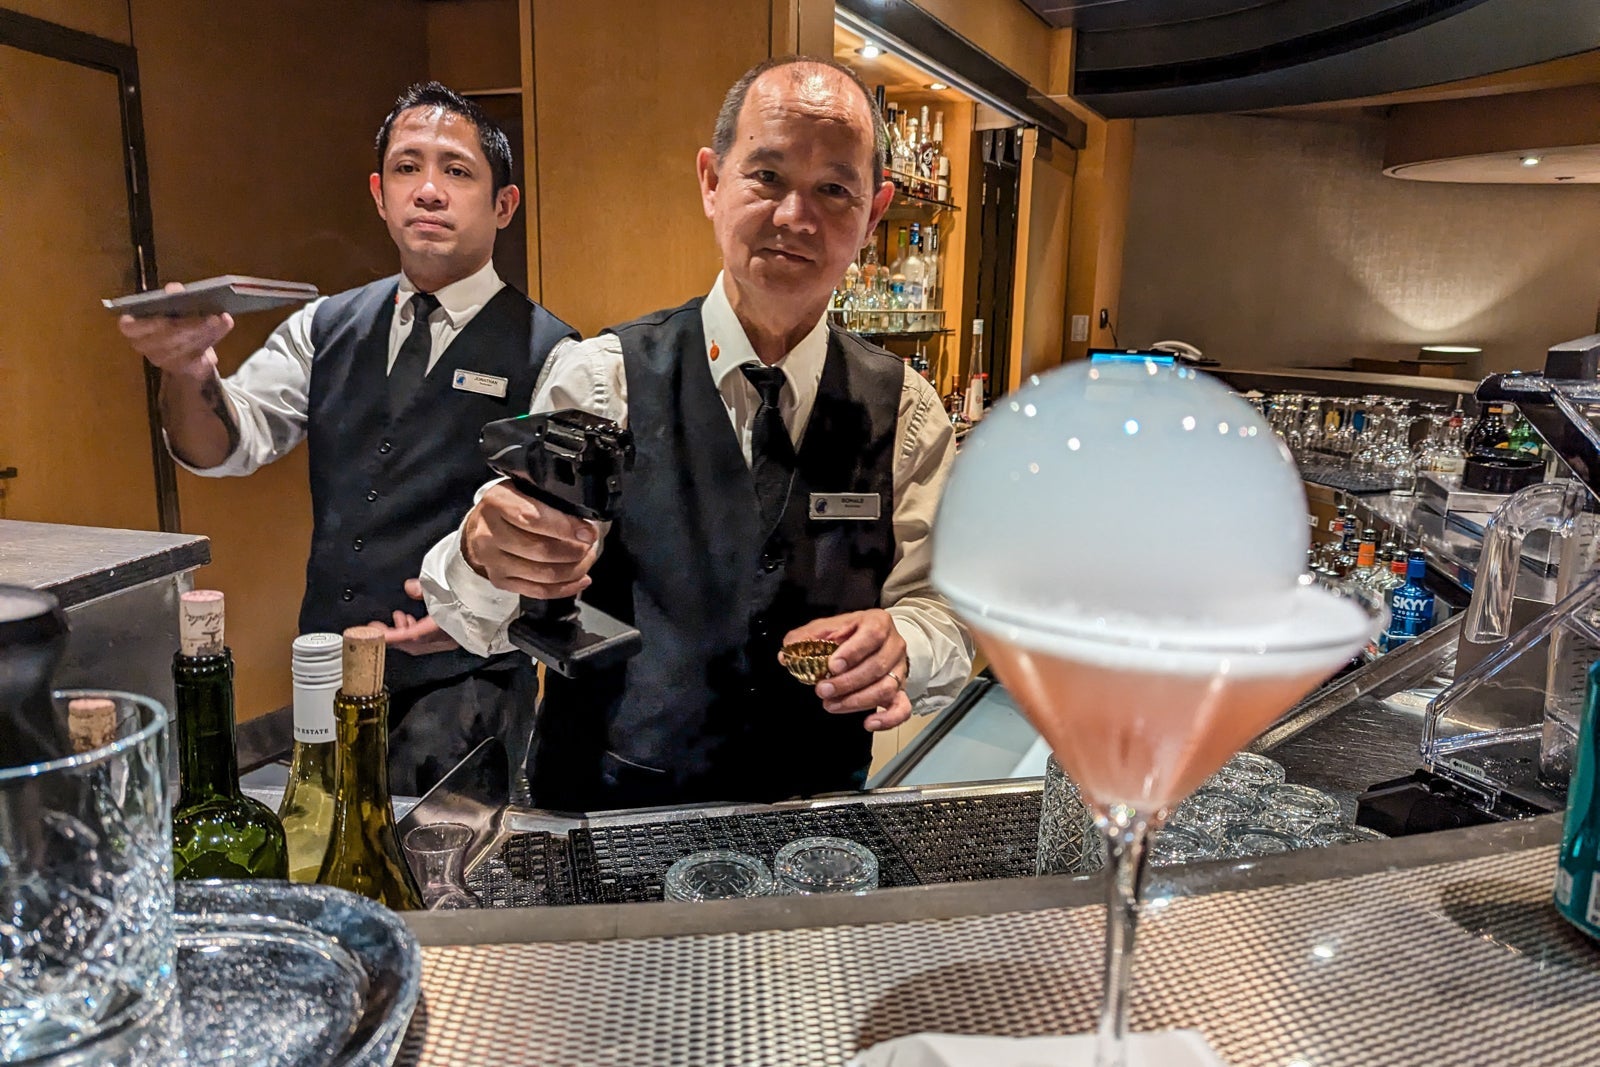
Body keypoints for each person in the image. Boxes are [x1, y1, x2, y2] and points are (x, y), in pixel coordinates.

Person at [421, 56, 973, 812]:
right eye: (767, 177)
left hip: (811, 829)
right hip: (610, 817)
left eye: (833, 190)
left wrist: (905, 641)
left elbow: (944, 611)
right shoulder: (602, 379)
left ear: (873, 214)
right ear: (712, 182)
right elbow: (483, 619)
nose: (795, 217)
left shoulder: (905, 411)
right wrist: (486, 553)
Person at [119, 82, 579, 796]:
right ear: (378, 194)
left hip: (464, 685)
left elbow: (563, 540)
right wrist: (187, 372)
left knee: (444, 862)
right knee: (322, 844)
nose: (428, 190)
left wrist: (481, 614)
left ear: (503, 205)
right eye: (406, 167)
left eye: (457, 170)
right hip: (328, 669)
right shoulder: (325, 326)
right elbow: (223, 446)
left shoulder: (556, 355)